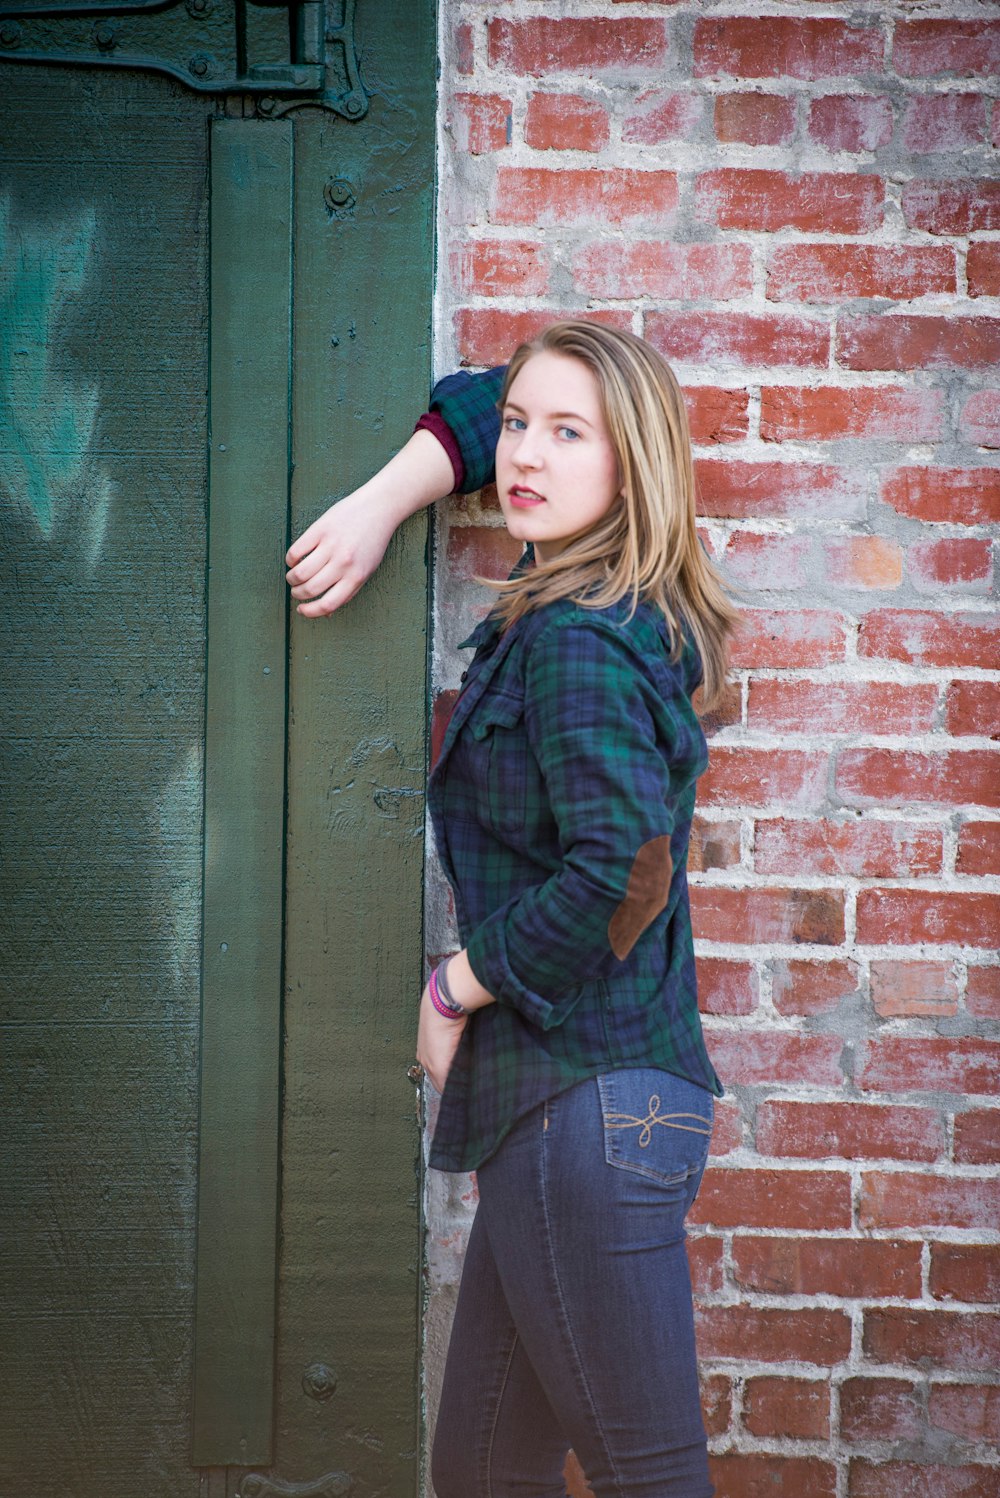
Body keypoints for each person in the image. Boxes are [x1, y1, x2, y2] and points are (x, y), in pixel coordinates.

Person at [286, 321, 738, 1498]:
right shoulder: (607, 614)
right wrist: (388, 500)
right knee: (482, 1468)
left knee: (650, 1475)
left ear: (629, 468)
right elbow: (494, 398)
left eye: (569, 433)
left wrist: (453, 983)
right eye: (521, 429)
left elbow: (620, 873)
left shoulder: (575, 645)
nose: (526, 453)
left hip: (582, 1114)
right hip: (577, 1112)